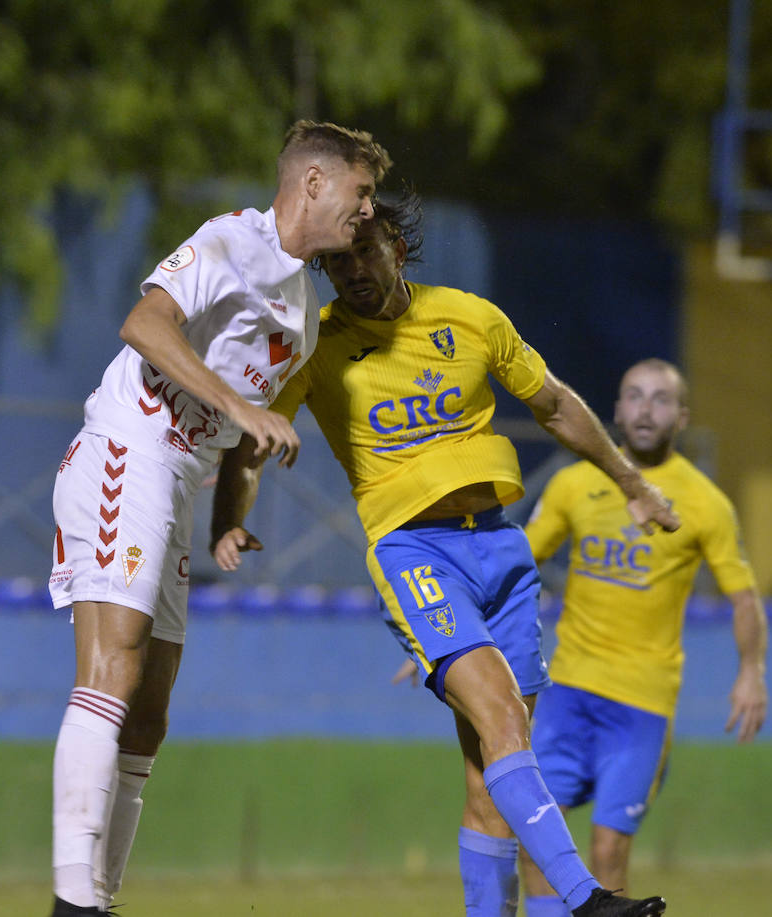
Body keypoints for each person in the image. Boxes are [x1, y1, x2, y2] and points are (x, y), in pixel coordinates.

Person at [211, 192, 677, 917]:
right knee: (501, 720)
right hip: (414, 552)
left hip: (500, 549)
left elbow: (552, 403)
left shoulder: (471, 317)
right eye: (337, 262)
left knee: (491, 774)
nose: (354, 270)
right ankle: (585, 898)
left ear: (399, 247)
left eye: (366, 251)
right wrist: (228, 517)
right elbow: (252, 437)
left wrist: (630, 481)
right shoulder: (318, 343)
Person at [46, 120, 392, 917]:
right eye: (360, 192)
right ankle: (73, 902)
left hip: (177, 489)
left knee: (152, 710)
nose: (366, 212)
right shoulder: (231, 241)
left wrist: (228, 518)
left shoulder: (302, 311)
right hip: (126, 452)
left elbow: (243, 445)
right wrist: (235, 403)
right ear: (313, 183)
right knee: (112, 670)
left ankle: (101, 893)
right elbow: (145, 323)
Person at [518, 358, 769, 917]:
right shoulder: (574, 483)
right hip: (568, 691)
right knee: (534, 837)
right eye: (634, 396)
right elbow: (521, 560)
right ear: (615, 410)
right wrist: (448, 633)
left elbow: (744, 597)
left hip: (641, 703)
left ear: (681, 416)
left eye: (660, 399)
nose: (645, 409)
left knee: (608, 851)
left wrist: (751, 672)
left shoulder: (705, 502)